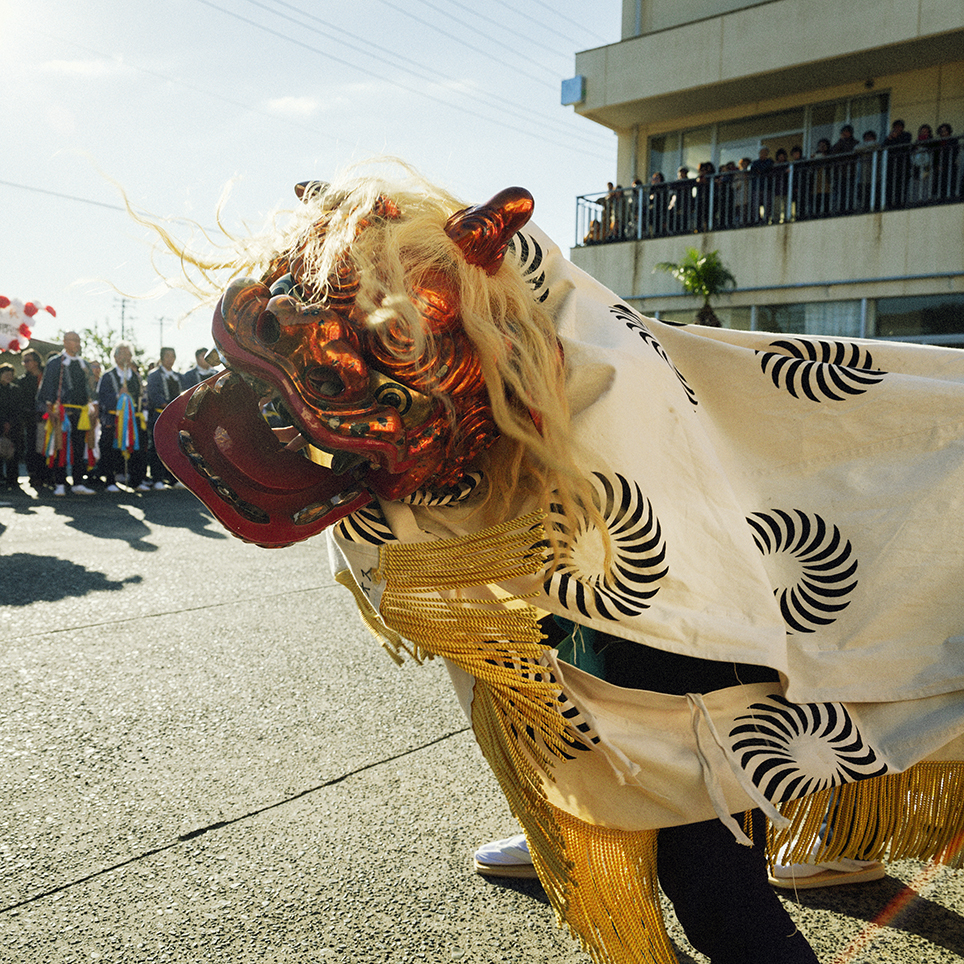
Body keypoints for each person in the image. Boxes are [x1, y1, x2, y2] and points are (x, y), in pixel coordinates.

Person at [151, 169, 964, 964]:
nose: (285, 430)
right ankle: (613, 818)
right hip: (593, 592)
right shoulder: (482, 380)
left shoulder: (613, 393)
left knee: (717, 870)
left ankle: (688, 838)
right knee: (578, 706)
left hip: (686, 608)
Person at [37, 330, 97, 496]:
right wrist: (50, 409)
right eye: (73, 340)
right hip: (62, 411)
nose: (77, 344)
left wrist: (95, 407)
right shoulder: (56, 362)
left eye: (79, 340)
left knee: (79, 447)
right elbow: (47, 386)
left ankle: (78, 482)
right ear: (65, 342)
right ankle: (60, 483)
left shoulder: (84, 364)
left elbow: (91, 388)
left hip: (82, 412)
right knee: (60, 447)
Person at [98, 341, 149, 492]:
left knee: (136, 449)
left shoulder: (136, 376)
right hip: (114, 418)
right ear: (115, 356)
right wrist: (117, 396)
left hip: (133, 419)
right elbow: (101, 397)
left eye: (129, 354)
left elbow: (142, 396)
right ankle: (110, 481)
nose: (127, 357)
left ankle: (136, 480)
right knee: (109, 449)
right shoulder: (108, 376)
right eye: (123, 354)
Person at [146, 347, 183, 489]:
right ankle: (157, 479)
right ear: (161, 358)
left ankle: (173, 479)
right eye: (167, 356)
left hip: (175, 417)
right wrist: (168, 406)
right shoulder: (154, 375)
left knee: (175, 448)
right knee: (157, 447)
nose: (170, 359)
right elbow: (154, 395)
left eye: (173, 356)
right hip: (160, 415)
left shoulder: (178, 376)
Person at [16, 349, 47, 493]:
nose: (25, 364)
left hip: (50, 417)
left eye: (28, 360)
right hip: (32, 419)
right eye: (24, 361)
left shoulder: (47, 376)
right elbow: (21, 402)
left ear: (36, 362)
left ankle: (49, 474)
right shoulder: (23, 381)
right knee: (33, 447)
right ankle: (34, 475)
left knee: (49, 446)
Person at [883, 118, 912, 208]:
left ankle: (901, 202)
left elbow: (904, 144)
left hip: (903, 165)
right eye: (895, 127)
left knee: (902, 185)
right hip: (891, 166)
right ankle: (889, 203)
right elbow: (883, 146)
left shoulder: (906, 135)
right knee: (890, 185)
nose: (897, 129)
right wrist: (889, 139)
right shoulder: (890, 137)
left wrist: (895, 138)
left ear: (902, 128)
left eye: (899, 127)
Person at [0, 364, 20, 490]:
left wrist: (10, 423)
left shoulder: (15, 389)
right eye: (6, 374)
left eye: (11, 375)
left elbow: (18, 408)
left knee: (13, 452)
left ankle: (13, 478)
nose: (9, 377)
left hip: (13, 424)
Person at [909, 123, 935, 204]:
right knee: (916, 186)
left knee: (926, 186)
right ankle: (915, 201)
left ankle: (925, 201)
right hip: (916, 168)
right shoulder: (915, 144)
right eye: (922, 131)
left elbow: (934, 156)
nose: (923, 133)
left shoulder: (933, 143)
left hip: (927, 168)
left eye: (926, 132)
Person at [933, 123, 960, 201]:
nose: (943, 133)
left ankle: (950, 199)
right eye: (941, 132)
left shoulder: (953, 141)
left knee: (950, 184)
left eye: (945, 131)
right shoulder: (937, 143)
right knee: (940, 186)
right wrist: (937, 165)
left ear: (949, 132)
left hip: (950, 167)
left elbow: (953, 154)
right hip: (939, 169)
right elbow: (935, 156)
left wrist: (944, 165)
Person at [855, 129, 879, 211]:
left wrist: (865, 147)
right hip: (862, 178)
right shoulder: (862, 146)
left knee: (874, 197)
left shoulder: (876, 145)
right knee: (862, 198)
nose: (867, 139)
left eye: (870, 137)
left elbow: (875, 145)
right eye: (866, 138)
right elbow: (856, 148)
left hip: (874, 178)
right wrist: (867, 147)